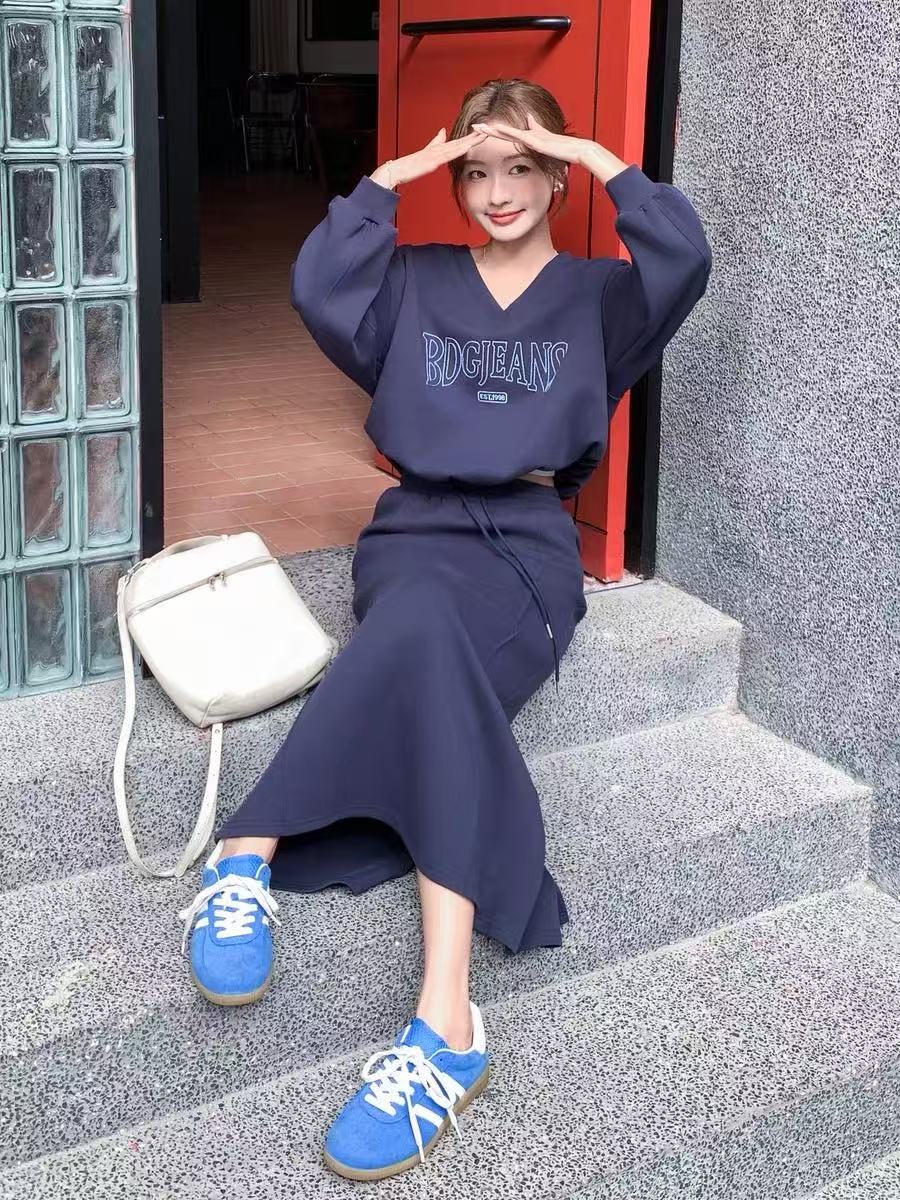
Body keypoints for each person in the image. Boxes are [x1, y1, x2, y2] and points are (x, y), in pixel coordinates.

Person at [177, 77, 712, 1182]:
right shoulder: (416, 280)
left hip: (526, 551)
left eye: (522, 167)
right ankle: (448, 1029)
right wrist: (398, 173)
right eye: (478, 171)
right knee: (418, 624)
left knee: (422, 641)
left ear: (555, 175)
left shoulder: (601, 299)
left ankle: (249, 855)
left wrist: (597, 156)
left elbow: (684, 259)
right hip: (413, 529)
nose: (498, 191)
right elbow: (318, 285)